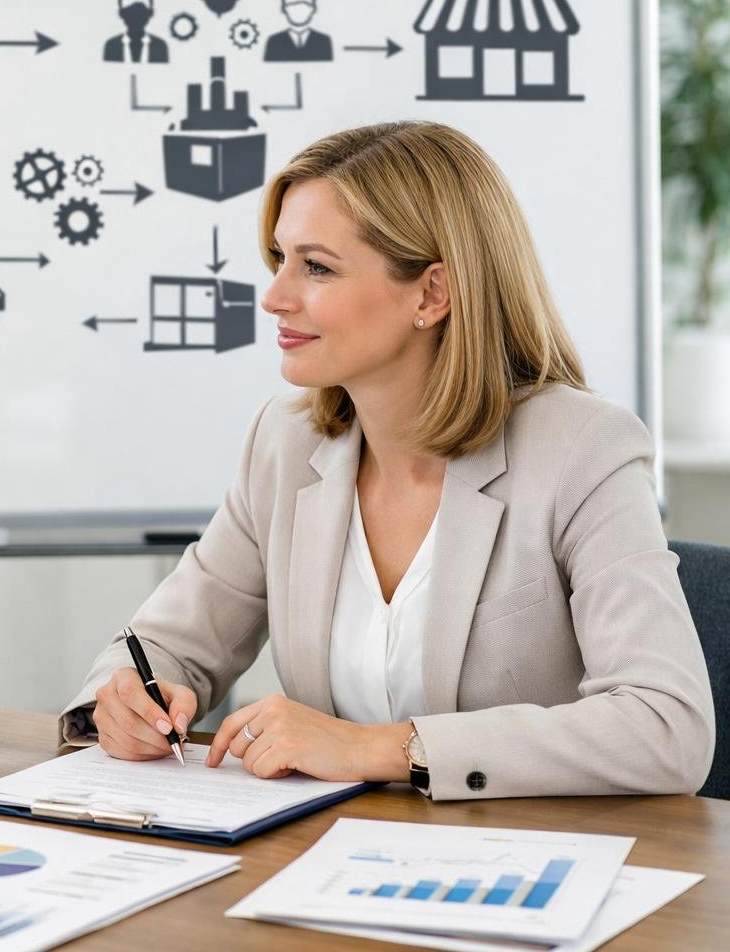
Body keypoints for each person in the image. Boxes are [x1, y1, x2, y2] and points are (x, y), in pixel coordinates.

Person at [61, 121, 714, 800]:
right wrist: (127, 702)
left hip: (532, 869)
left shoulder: (582, 450)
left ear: (432, 293)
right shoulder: (285, 445)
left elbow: (667, 726)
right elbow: (162, 645)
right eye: (278, 258)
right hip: (331, 861)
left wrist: (384, 748)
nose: (274, 296)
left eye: (315, 267)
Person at [263, 0, 333, 62]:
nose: (298, 9)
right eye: (293, 4)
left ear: (314, 8)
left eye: (305, 3)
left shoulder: (323, 41)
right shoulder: (274, 42)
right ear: (283, 8)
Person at [103, 0, 170, 64]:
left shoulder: (159, 46)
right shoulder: (112, 46)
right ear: (122, 15)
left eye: (141, 13)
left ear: (149, 15)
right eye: (131, 13)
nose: (136, 18)